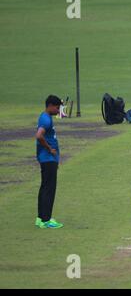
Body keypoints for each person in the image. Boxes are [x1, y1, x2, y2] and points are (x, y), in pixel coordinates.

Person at [35, 95, 64, 229]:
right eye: (57, 108)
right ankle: (46, 220)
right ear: (50, 105)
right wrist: (50, 149)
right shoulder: (46, 120)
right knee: (49, 189)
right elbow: (39, 136)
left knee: (45, 187)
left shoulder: (44, 117)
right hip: (48, 159)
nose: (58, 111)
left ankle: (41, 218)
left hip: (47, 159)